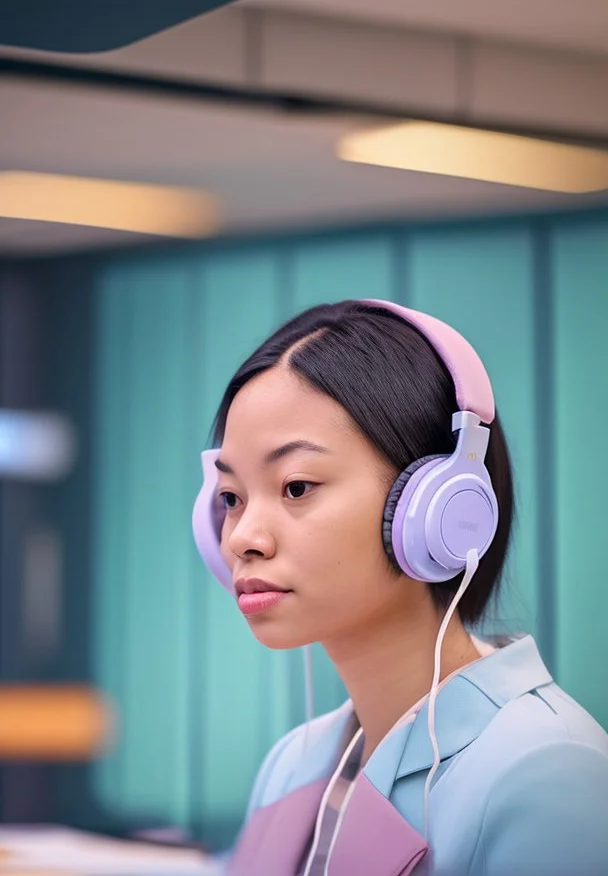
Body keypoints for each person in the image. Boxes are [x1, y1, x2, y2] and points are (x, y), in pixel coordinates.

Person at [192, 299, 608, 876]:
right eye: (232, 498)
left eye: (295, 487)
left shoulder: (546, 769)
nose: (241, 538)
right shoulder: (295, 763)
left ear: (437, 507)